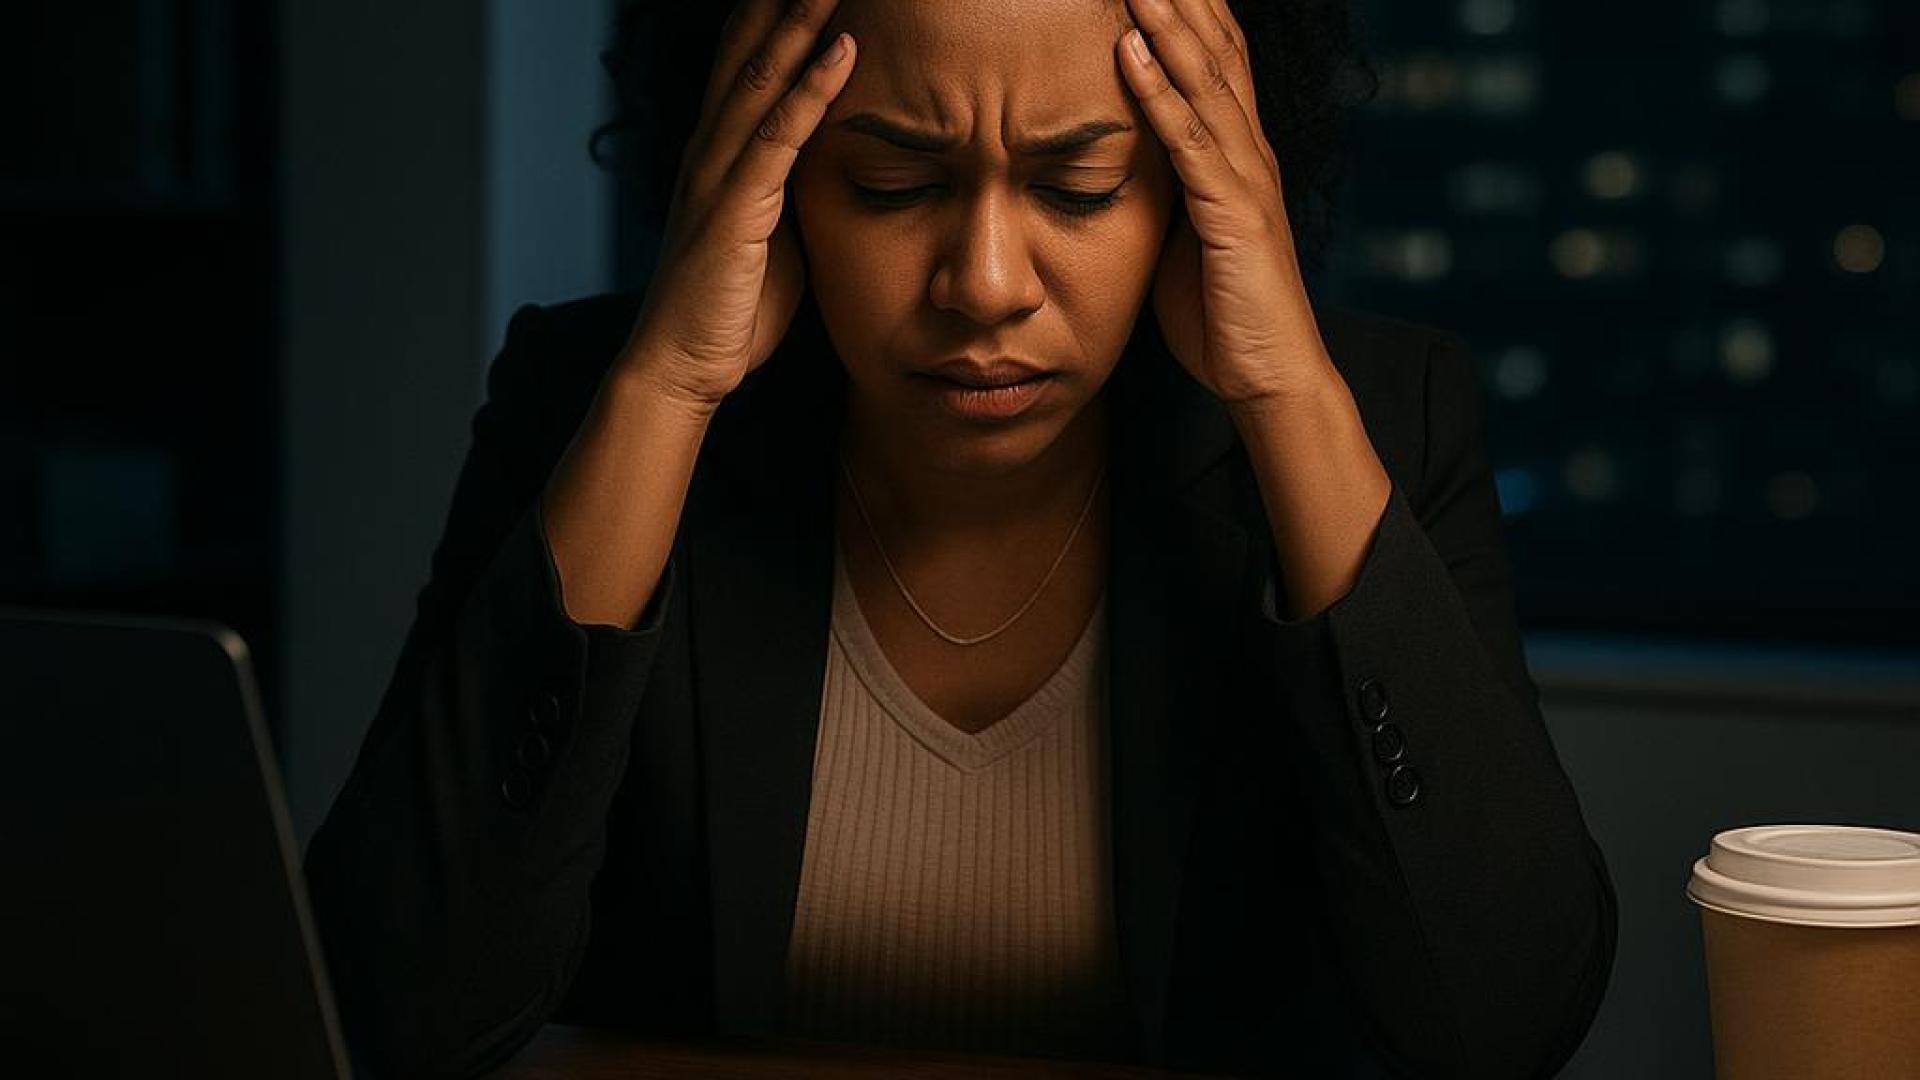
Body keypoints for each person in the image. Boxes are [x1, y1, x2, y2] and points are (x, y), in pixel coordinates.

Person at [302, 0, 1618, 1077]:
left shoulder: (1376, 421)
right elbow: (397, 1011)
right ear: (764, 173)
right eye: (892, 185)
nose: (986, 281)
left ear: (1196, 185)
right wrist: (663, 394)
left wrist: (1285, 396)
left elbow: (1503, 1026)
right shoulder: (590, 402)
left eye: (1081, 186)